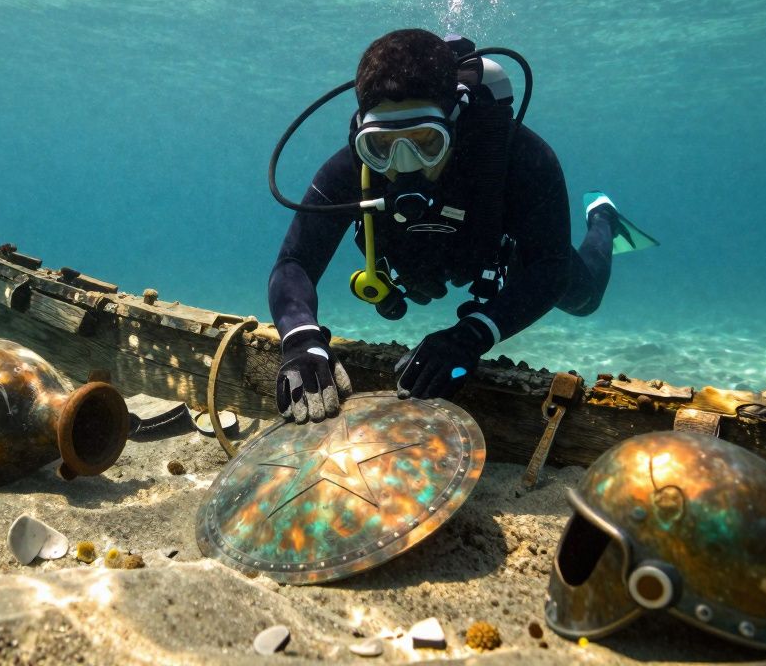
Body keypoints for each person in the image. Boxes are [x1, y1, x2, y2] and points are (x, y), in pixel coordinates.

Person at [267, 29, 657, 423]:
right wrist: (301, 339)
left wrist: (474, 333)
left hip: (500, 249)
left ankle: (604, 217)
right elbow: (294, 261)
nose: (406, 165)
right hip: (426, 261)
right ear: (361, 135)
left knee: (584, 299)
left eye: (424, 141)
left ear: (454, 122)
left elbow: (550, 266)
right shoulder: (350, 169)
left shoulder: (519, 156)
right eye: (382, 146)